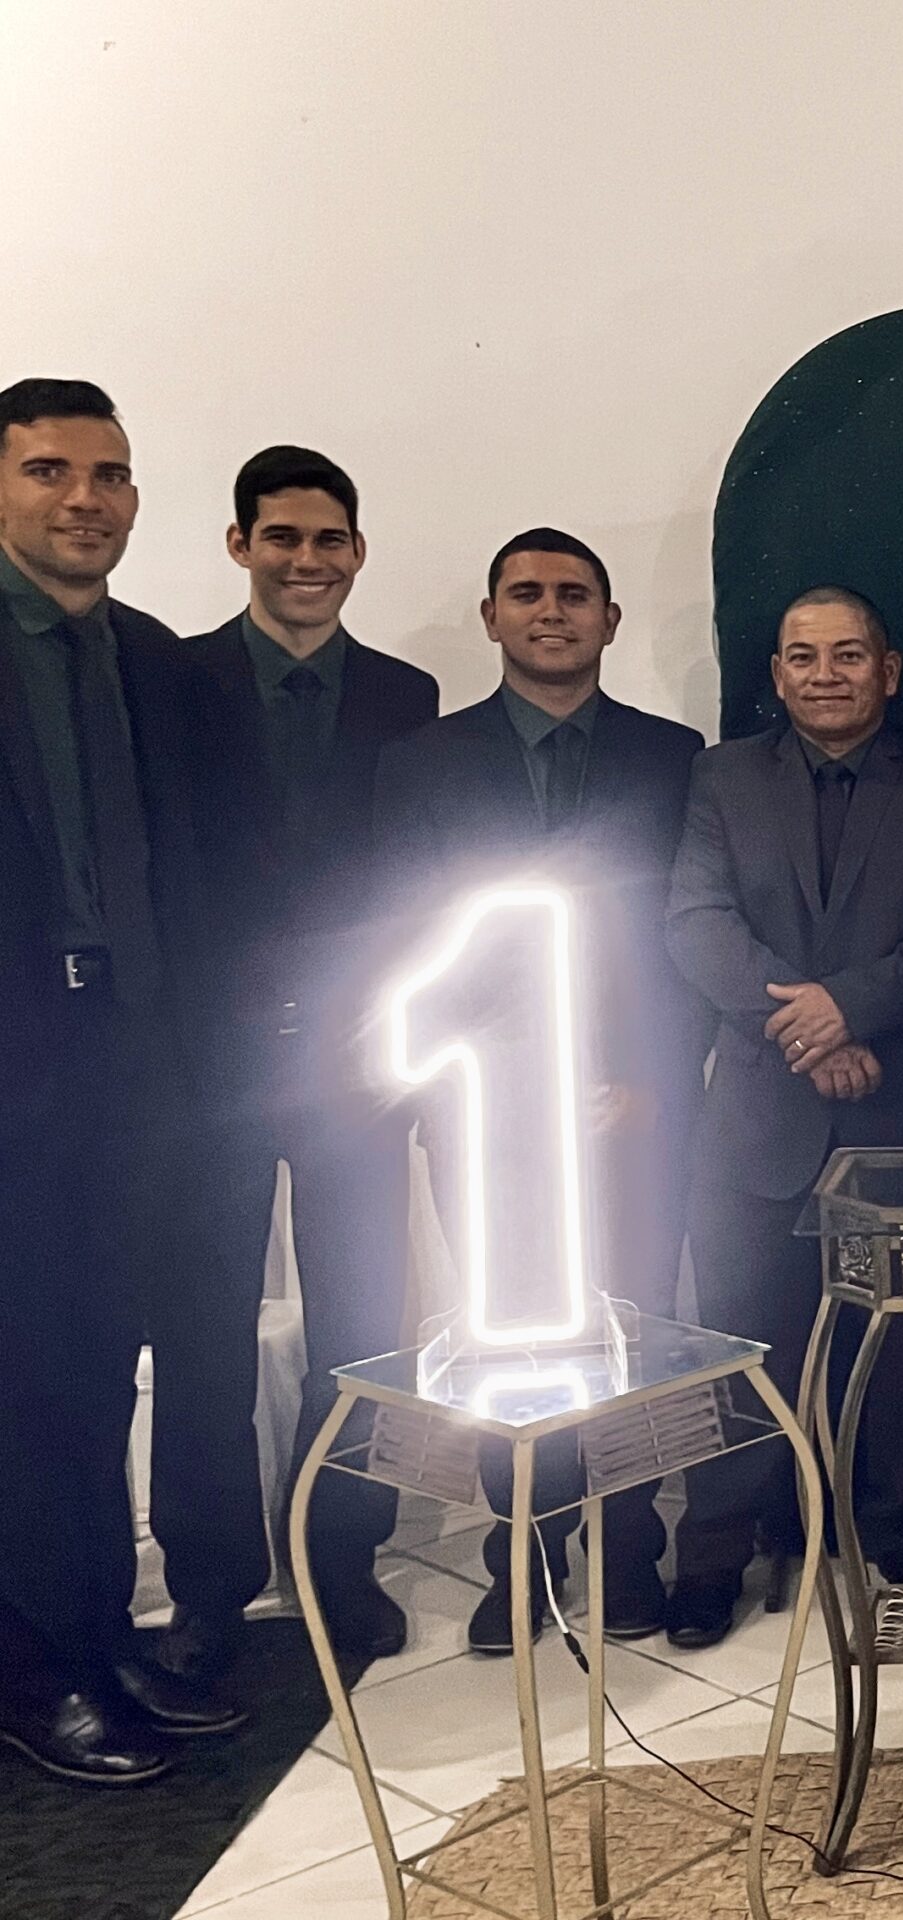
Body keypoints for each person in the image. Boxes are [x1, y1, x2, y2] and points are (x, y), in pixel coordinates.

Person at [372, 528, 706, 1656]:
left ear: (610, 620)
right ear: (491, 617)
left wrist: (654, 1077)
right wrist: (453, 1090)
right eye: (526, 593)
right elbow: (400, 935)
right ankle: (520, 1557)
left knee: (630, 1327)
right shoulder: (420, 763)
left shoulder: (675, 758)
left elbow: (688, 938)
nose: (550, 611)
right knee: (508, 1343)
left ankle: (629, 1551)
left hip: (632, 1101)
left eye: (573, 594)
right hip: (488, 1115)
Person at [665, 586, 903, 1644]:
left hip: (899, 1110)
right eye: (803, 657)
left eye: (848, 655)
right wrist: (810, 1032)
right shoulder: (721, 778)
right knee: (736, 1342)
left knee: (899, 1350)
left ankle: (894, 1536)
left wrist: (848, 1008)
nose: (826, 675)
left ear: (887, 671)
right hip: (757, 1114)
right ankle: (717, 1549)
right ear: (775, 674)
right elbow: (696, 922)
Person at [150, 447, 436, 1682]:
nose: (306, 561)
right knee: (201, 1330)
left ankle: (341, 1565)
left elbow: (412, 878)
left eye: (328, 540)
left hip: (356, 1059)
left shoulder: (408, 695)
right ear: (239, 546)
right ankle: (211, 1589)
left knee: (360, 1327)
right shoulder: (172, 681)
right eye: (282, 537)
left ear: (358, 552)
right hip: (205, 1065)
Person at [0, 377, 242, 1783]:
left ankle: (96, 1641)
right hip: (16, 1067)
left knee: (101, 1371)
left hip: (138, 1061)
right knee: (23, 1379)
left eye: (109, 474)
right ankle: (32, 1671)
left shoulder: (152, 657)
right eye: (49, 470)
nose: (84, 499)